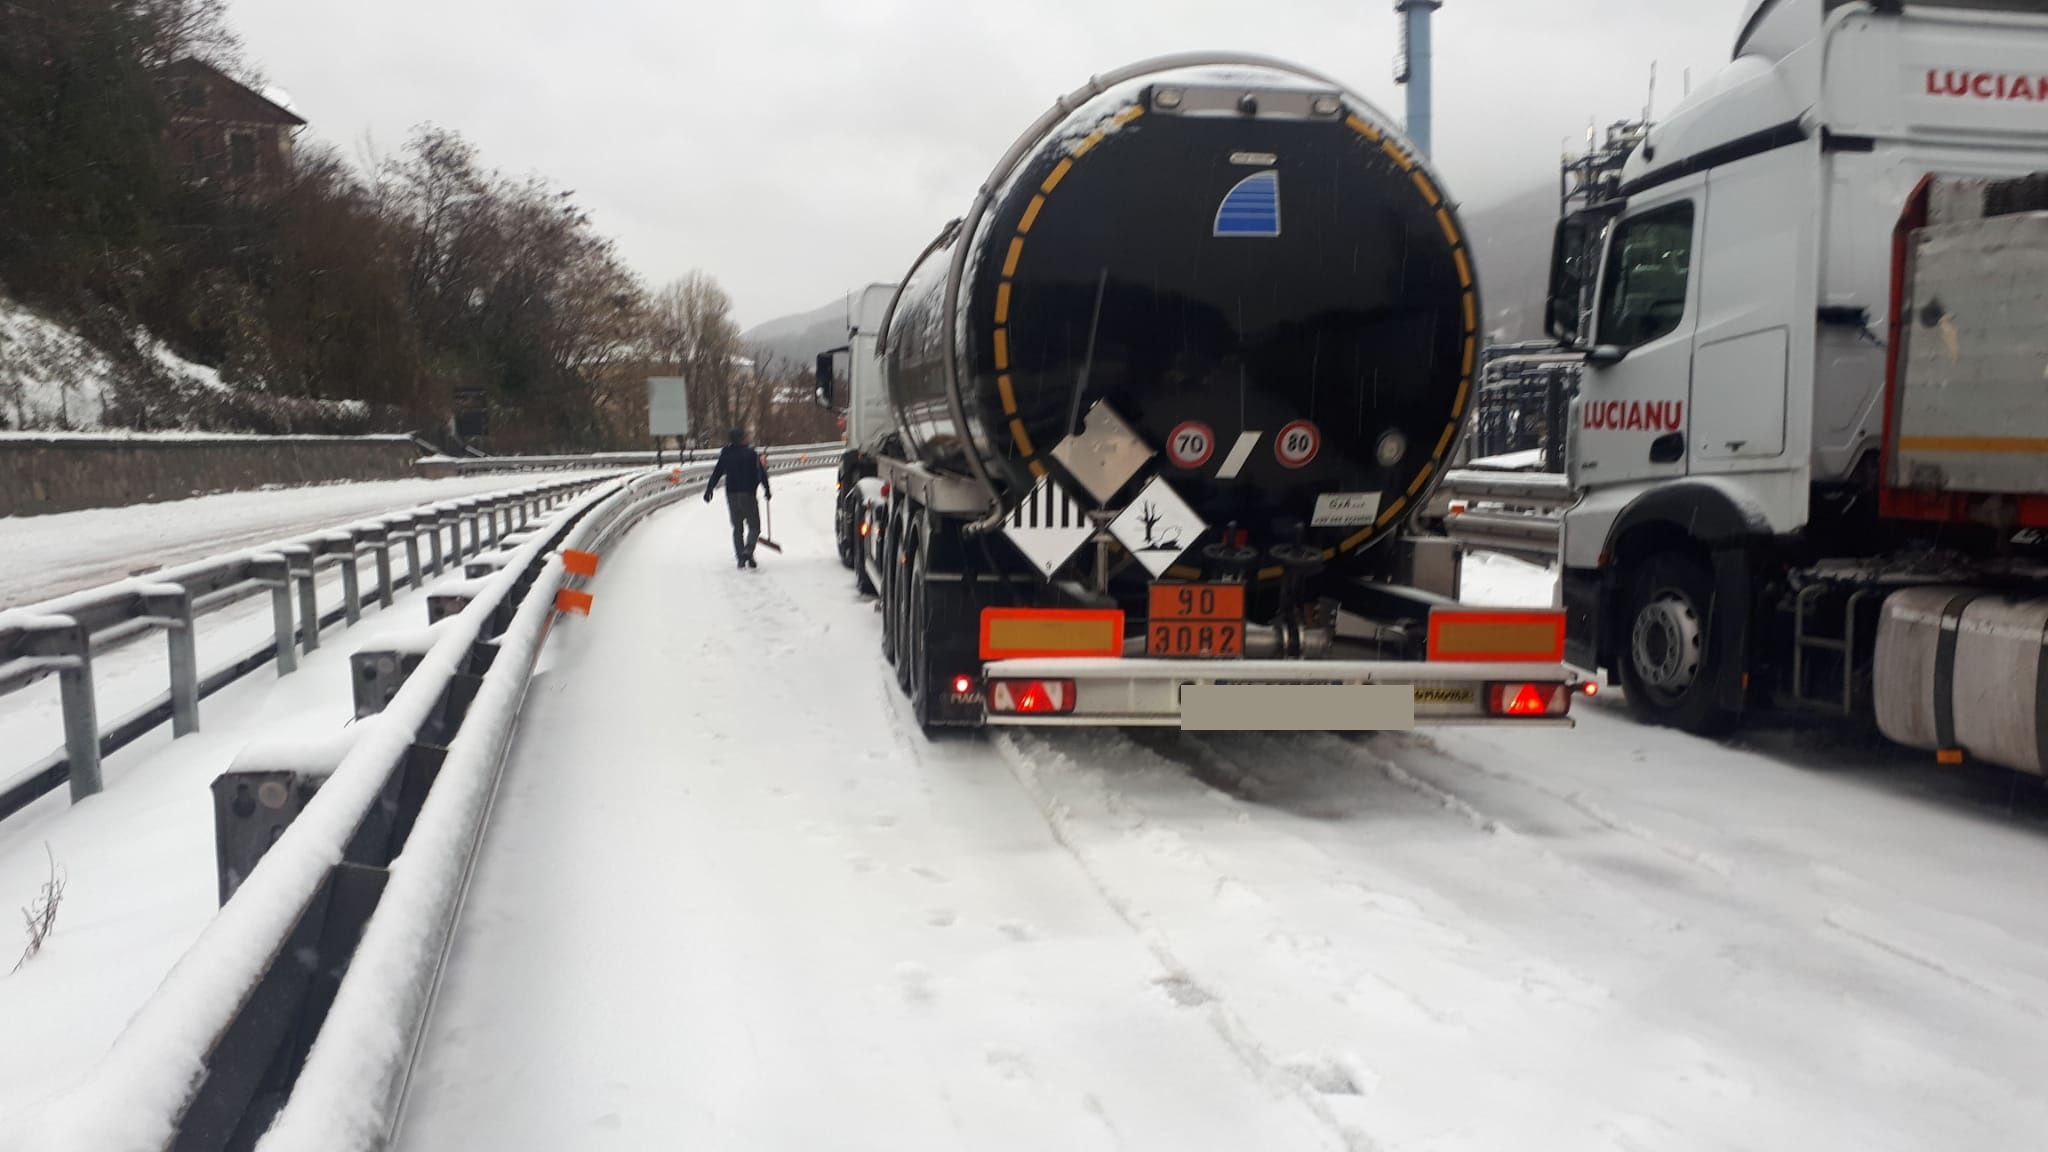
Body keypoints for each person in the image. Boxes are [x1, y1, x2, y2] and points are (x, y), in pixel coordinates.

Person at [704, 427, 771, 568]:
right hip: (748, 494)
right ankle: (748, 550)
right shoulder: (751, 454)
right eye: (745, 437)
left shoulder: (726, 454)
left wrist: (709, 489)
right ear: (741, 439)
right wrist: (767, 489)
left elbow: (717, 472)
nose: (748, 439)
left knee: (737, 527)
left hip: (732, 494)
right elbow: (761, 474)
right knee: (754, 526)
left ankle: (742, 557)